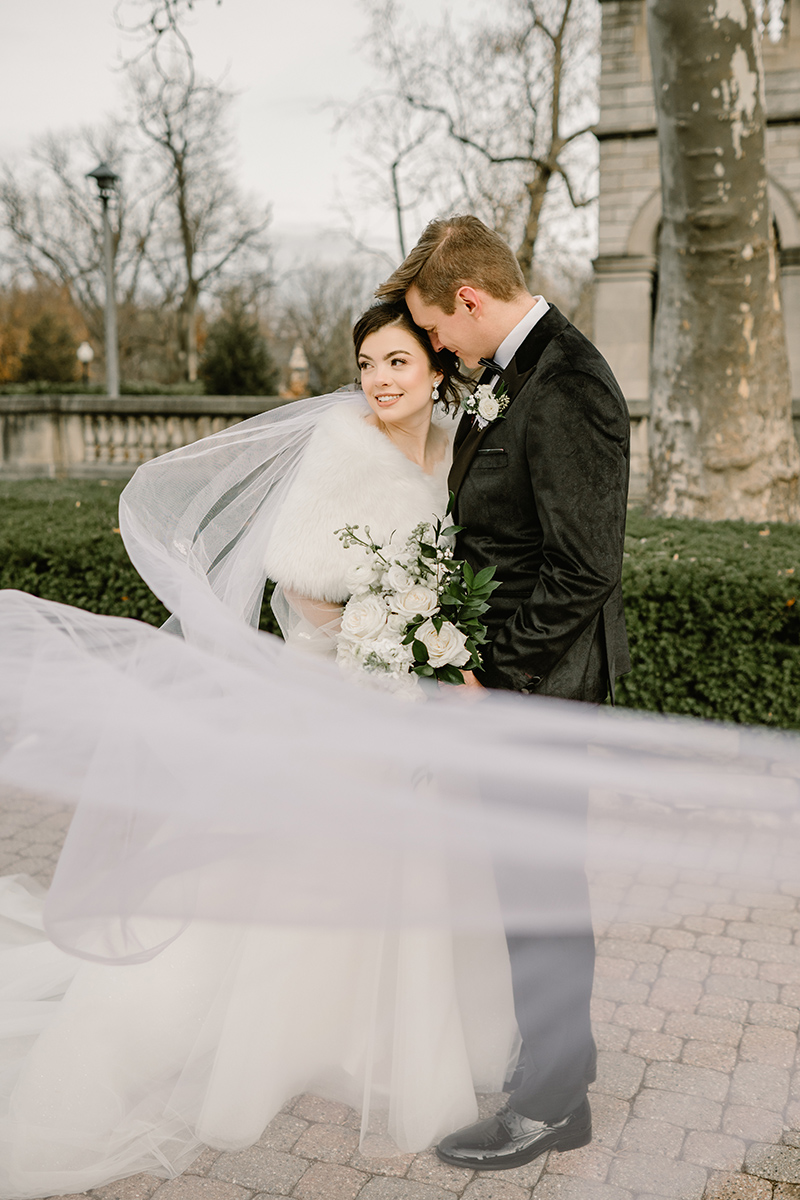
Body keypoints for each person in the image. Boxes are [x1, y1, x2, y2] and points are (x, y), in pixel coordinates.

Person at [0, 300, 523, 1198]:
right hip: (339, 697)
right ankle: (274, 1035)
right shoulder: (340, 440)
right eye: (367, 364)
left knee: (424, 869)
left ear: (436, 366)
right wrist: (392, 622)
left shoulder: (456, 446)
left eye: (397, 361)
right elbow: (302, 589)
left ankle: (392, 1035)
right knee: (316, 874)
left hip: (416, 706)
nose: (381, 381)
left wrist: (433, 647)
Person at [376, 214, 631, 1170]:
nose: (436, 346)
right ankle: (566, 1057)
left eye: (436, 328)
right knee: (528, 886)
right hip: (520, 685)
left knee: (541, 892)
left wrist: (498, 676)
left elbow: (584, 568)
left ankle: (555, 1106)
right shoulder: (517, 373)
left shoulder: (568, 384)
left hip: (540, 691)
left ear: (470, 301)